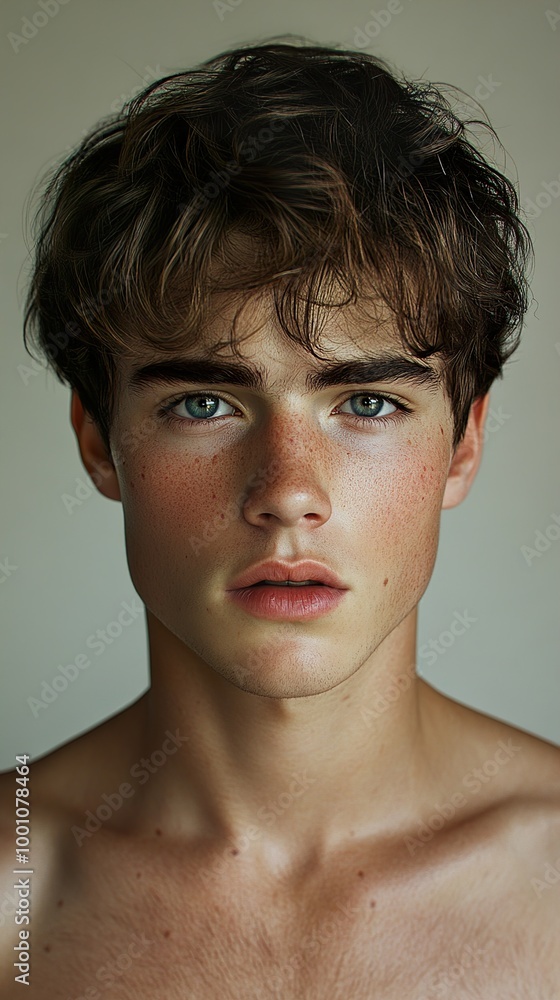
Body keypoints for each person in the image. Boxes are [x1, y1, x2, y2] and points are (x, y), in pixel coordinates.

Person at [1, 38, 559, 998]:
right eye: (204, 404)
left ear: (462, 445)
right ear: (100, 443)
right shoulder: (11, 898)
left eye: (368, 403)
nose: (288, 491)